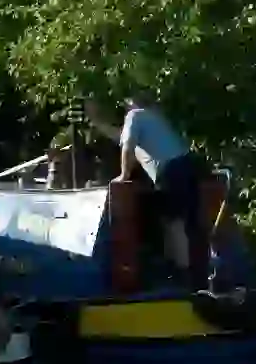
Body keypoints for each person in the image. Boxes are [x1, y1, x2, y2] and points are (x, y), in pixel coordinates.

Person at [86, 94, 208, 290]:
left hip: (170, 170)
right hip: (186, 166)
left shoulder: (134, 115)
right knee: (187, 222)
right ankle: (196, 274)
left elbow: (128, 147)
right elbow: (120, 137)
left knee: (173, 222)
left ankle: (182, 277)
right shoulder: (154, 117)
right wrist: (97, 123)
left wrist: (124, 175)